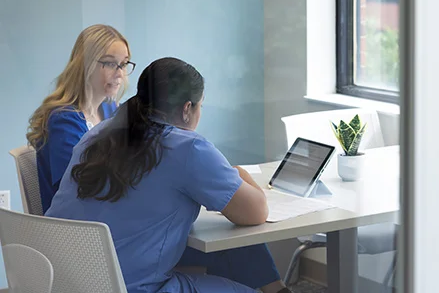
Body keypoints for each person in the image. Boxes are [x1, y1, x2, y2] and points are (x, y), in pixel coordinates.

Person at [46, 57, 290, 293]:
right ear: (187, 109)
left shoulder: (98, 133)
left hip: (59, 280)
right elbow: (256, 212)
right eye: (200, 105)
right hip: (127, 285)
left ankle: (277, 289)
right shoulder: (188, 148)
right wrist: (238, 174)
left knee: (225, 251)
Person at [26, 24, 134, 213]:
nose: (119, 74)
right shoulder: (63, 120)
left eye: (123, 64)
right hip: (75, 228)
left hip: (103, 213)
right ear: (85, 65)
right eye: (110, 63)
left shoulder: (109, 109)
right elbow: (80, 187)